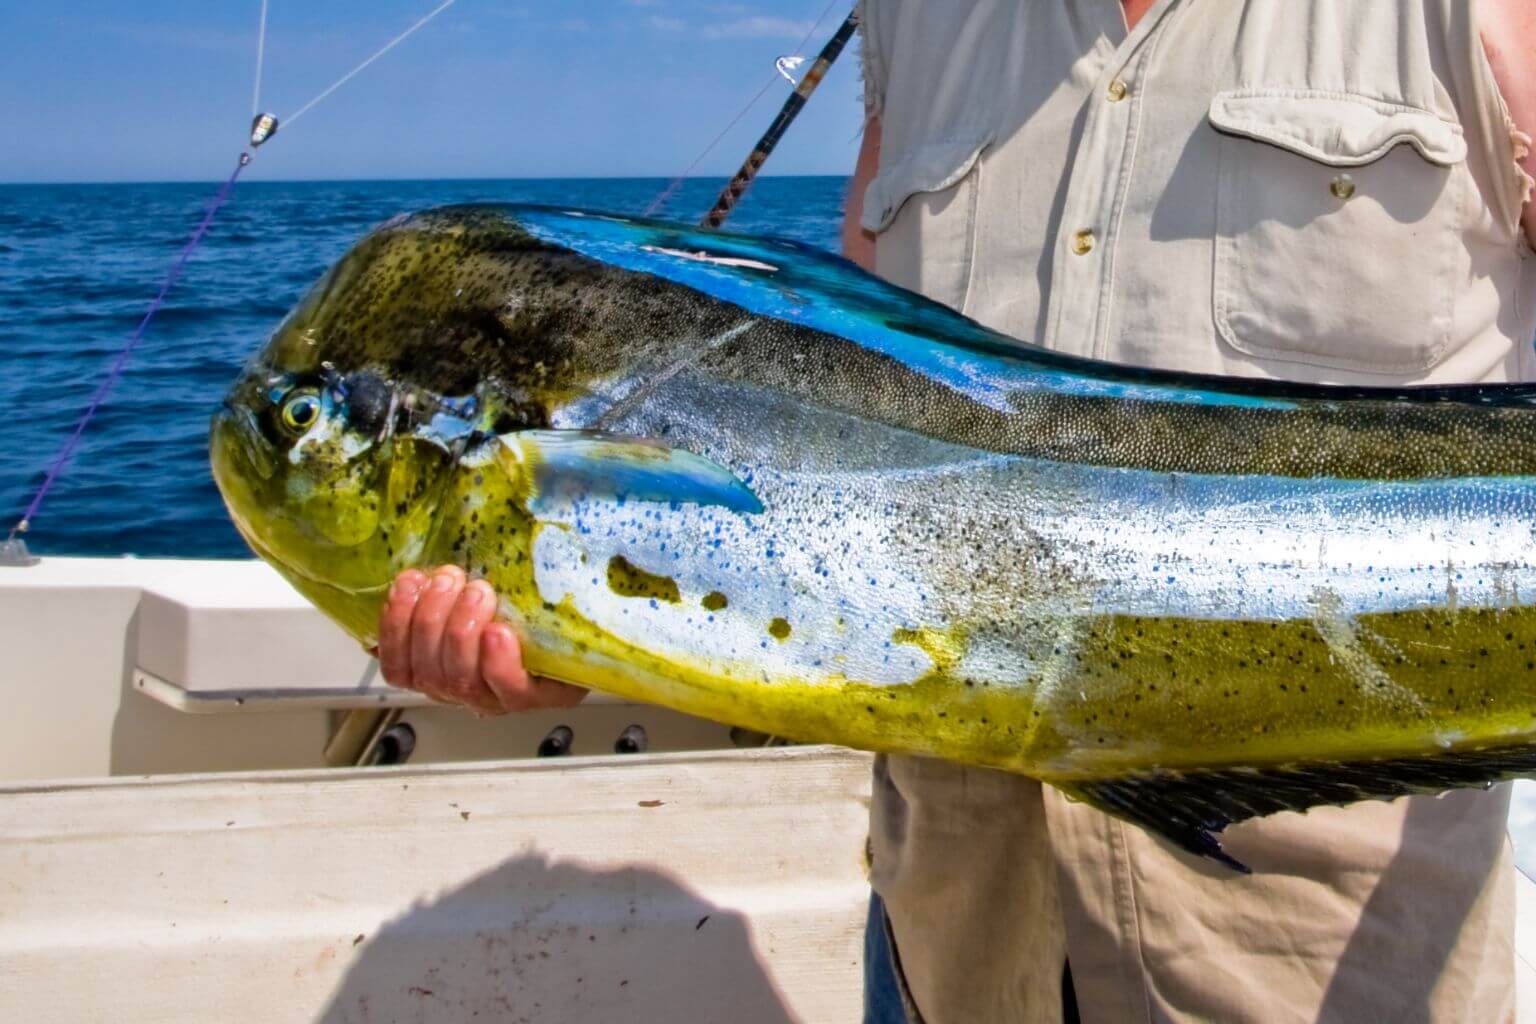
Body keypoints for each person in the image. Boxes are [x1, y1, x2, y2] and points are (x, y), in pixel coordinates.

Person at [376, 1, 1536, 1020]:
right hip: (957, 952)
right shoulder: (919, 19)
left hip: (1317, 966)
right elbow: (836, 475)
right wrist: (580, 618)